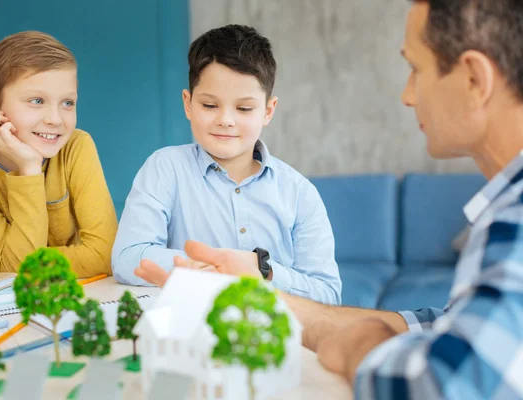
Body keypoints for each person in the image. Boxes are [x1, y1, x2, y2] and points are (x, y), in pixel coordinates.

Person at [135, 1, 523, 397]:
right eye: (210, 104)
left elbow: (440, 386)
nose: (406, 95)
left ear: (474, 80)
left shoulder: (513, 220)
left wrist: (360, 341)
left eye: (415, 69)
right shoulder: (504, 211)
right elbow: (448, 325)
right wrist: (250, 290)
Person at [111, 25, 341, 304]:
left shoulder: (299, 192)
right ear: (188, 103)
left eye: (244, 109)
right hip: (189, 333)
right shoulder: (165, 168)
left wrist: (262, 271)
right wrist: (216, 268)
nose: (226, 120)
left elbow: (328, 296)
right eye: (210, 105)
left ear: (268, 111)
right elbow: (127, 257)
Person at [0, 31, 118, 277]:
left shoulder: (76, 146)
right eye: (36, 101)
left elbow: (104, 256)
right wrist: (30, 169)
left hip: (61, 302)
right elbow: (16, 264)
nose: (55, 119)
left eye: (67, 103)